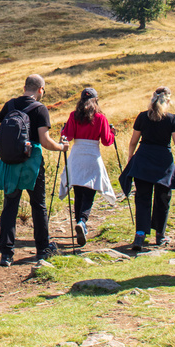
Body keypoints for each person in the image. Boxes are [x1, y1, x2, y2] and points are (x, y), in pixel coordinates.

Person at [0, 74, 69, 267]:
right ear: (40, 89)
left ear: (24, 87)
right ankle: (42, 249)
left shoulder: (9, 106)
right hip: (32, 162)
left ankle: (6, 254)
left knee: (10, 206)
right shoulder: (40, 109)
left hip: (10, 162)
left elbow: (2, 134)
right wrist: (61, 147)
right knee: (38, 205)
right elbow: (44, 141)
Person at [119, 87, 175, 250]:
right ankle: (160, 235)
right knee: (163, 198)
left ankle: (140, 235)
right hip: (163, 162)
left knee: (142, 198)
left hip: (143, 159)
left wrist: (131, 157)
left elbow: (134, 141)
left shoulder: (143, 116)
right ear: (168, 101)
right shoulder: (172, 119)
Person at [58, 88, 117, 247]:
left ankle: (79, 222)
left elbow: (67, 136)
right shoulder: (100, 118)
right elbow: (106, 141)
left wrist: (63, 131)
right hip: (92, 156)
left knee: (78, 192)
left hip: (77, 156)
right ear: (96, 101)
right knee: (89, 192)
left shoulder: (73, 116)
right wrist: (112, 133)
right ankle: (82, 222)